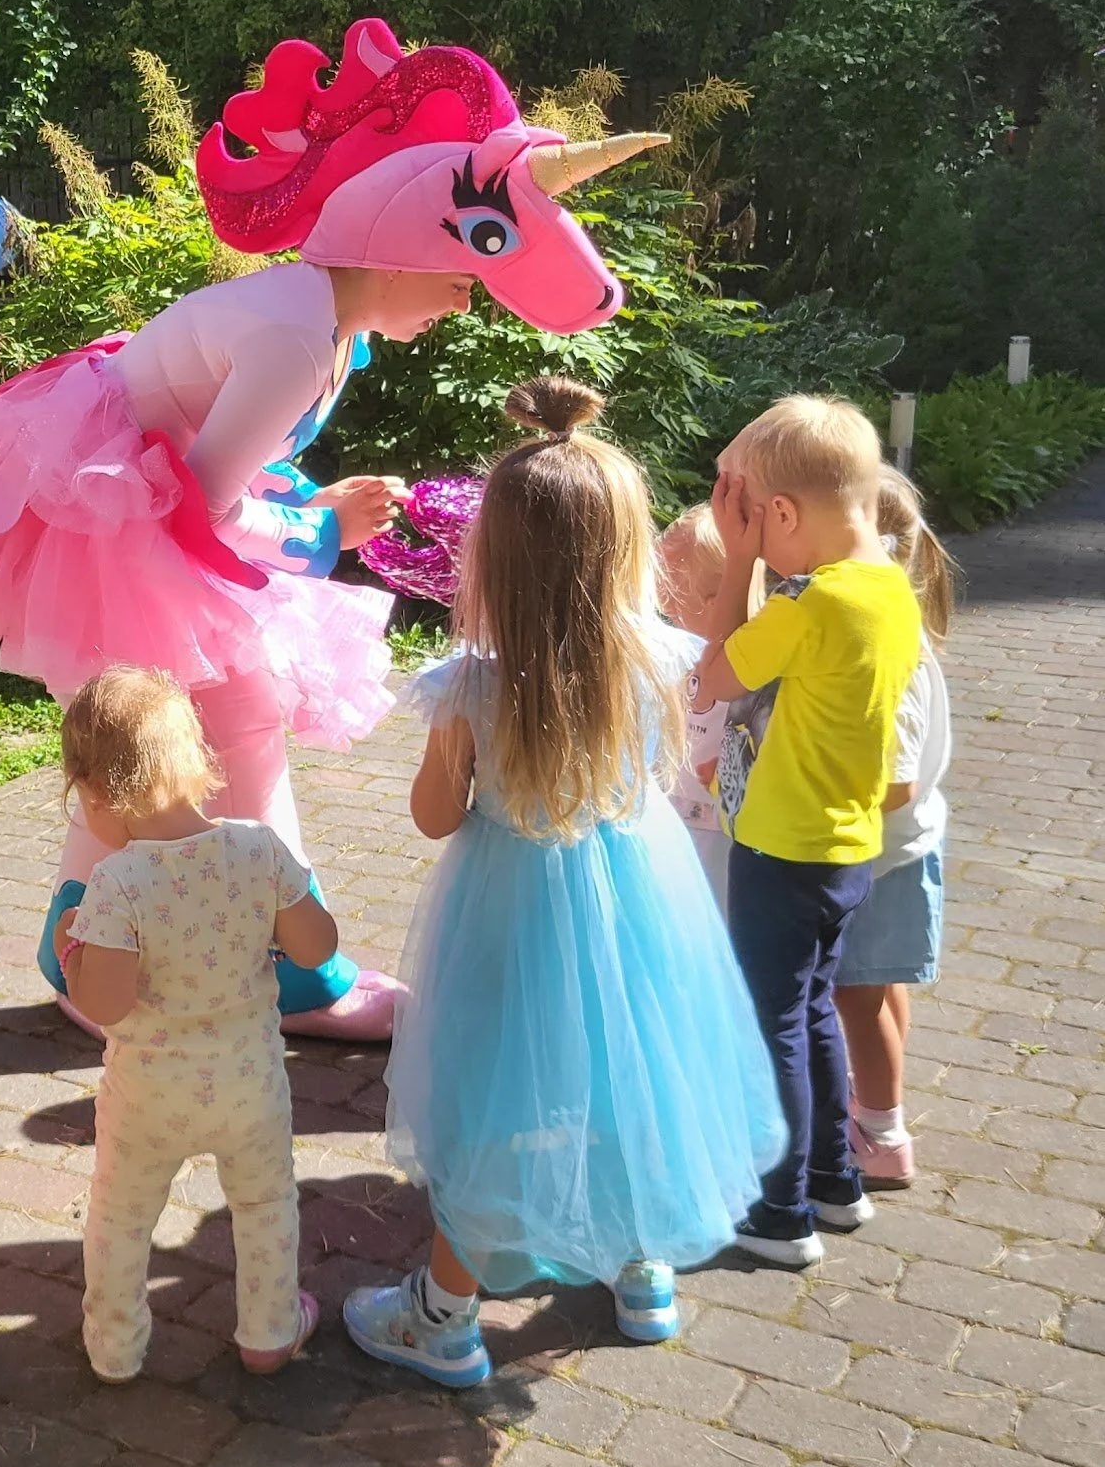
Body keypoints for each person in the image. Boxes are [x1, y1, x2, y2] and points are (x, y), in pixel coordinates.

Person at [0, 18, 664, 1042]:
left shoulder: (325, 320)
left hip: (140, 519)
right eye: (461, 265)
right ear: (402, 240)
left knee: (168, 740)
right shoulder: (302, 333)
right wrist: (317, 530)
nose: (467, 296)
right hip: (132, 526)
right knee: (230, 728)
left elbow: (222, 470)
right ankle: (295, 976)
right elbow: (203, 501)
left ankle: (90, 956)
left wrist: (309, 512)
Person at [344, 378, 783, 1387]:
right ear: (621, 549)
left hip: (507, 909)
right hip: (640, 898)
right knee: (628, 1071)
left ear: (493, 554)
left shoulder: (469, 684)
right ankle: (643, 1276)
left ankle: (445, 1317)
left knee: (494, 1098)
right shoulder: (657, 659)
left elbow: (435, 815)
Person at [57, 666, 339, 1382]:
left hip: (148, 1096)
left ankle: (115, 1347)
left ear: (93, 793)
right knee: (265, 1202)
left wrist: (73, 949)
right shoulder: (257, 848)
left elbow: (108, 1004)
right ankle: (270, 1333)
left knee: (120, 1217)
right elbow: (318, 949)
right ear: (194, 761)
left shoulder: (116, 883)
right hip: (249, 1084)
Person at [693, 397, 923, 1268]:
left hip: (780, 847)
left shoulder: (807, 606)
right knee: (813, 1008)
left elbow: (713, 676)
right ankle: (836, 1178)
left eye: (754, 520)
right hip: (846, 847)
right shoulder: (886, 588)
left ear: (780, 514)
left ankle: (779, 1210)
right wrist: (760, 547)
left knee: (773, 1021)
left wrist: (737, 562)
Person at [832, 467, 955, 1189]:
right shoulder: (894, 630)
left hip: (877, 856)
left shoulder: (890, 652)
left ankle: (879, 1132)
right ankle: (874, 1104)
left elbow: (895, 781)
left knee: (858, 992)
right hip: (891, 852)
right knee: (877, 988)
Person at [656, 504, 732, 910]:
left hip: (727, 844)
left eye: (673, 591)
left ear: (718, 598)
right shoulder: (671, 658)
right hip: (667, 831)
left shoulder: (754, 668)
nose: (663, 606)